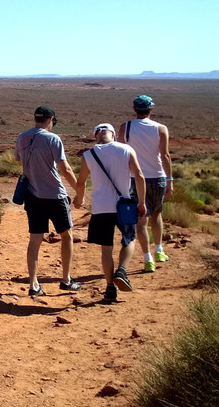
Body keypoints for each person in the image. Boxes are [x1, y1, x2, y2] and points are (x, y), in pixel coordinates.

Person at [74, 123, 147, 303]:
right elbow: (139, 175)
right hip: (124, 205)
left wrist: (79, 199)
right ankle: (122, 270)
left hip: (100, 207)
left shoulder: (88, 155)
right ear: (113, 135)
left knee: (106, 249)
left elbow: (81, 182)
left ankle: (109, 288)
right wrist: (142, 202)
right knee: (129, 239)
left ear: (96, 135)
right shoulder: (126, 149)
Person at [16, 105, 80, 297]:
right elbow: (65, 168)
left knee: (35, 240)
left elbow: (19, 161)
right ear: (51, 119)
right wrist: (79, 190)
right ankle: (66, 280)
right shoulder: (53, 138)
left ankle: (33, 284)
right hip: (55, 196)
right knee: (66, 236)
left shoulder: (22, 137)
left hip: (33, 196)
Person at [117, 95, 173, 272]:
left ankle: (147, 259)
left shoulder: (125, 127)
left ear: (135, 109)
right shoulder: (160, 128)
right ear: (151, 109)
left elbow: (121, 154)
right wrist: (170, 179)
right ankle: (159, 250)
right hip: (157, 177)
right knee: (156, 214)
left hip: (134, 178)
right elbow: (165, 155)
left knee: (141, 220)